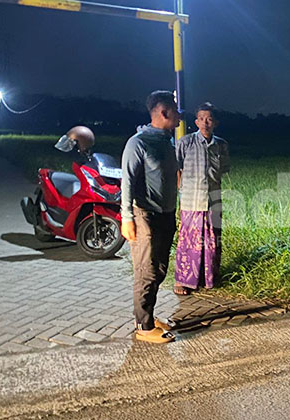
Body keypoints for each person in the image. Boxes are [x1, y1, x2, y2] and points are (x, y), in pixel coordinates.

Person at [121, 90, 180, 344]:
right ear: (164, 113)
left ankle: (148, 316)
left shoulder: (167, 141)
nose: (179, 115)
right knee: (146, 271)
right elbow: (127, 182)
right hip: (145, 216)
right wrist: (127, 218)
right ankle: (143, 326)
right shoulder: (138, 143)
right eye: (175, 110)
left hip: (166, 214)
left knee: (159, 269)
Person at [174, 102, 230, 295]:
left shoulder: (221, 145)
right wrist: (180, 191)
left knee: (212, 242)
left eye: (210, 119)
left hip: (213, 201)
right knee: (188, 243)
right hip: (191, 201)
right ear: (196, 121)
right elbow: (176, 169)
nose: (205, 122)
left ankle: (208, 278)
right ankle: (183, 281)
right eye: (202, 118)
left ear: (216, 122)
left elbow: (222, 171)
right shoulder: (185, 142)